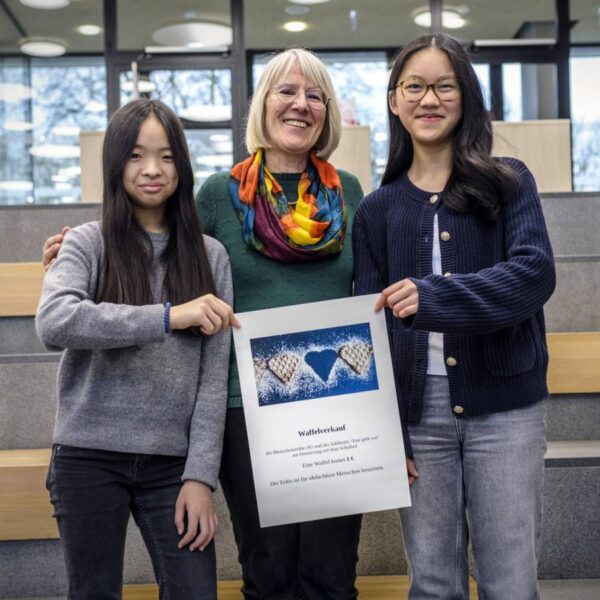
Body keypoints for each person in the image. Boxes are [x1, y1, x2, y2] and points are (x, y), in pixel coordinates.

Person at [42, 49, 364, 599]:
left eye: (315, 95)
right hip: (249, 407)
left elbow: (371, 287)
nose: (301, 104)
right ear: (263, 105)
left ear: (328, 112)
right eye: (286, 91)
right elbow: (155, 233)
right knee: (268, 570)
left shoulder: (349, 192)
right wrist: (78, 246)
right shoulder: (220, 194)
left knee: (333, 573)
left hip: (334, 396)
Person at [352, 34, 556, 600]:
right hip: (418, 419)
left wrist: (436, 296)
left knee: (510, 581)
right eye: (414, 86)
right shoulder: (377, 208)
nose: (429, 98)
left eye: (445, 85)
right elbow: (371, 332)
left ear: (465, 96)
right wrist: (387, 427)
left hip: (506, 410)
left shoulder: (508, 181)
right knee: (434, 583)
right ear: (395, 101)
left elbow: (535, 275)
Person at [36, 98, 238, 600]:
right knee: (94, 593)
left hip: (172, 466)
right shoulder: (86, 243)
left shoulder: (211, 256)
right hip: (88, 455)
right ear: (115, 163)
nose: (152, 170)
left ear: (182, 166)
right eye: (136, 156)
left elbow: (213, 379)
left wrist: (200, 478)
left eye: (167, 156)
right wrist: (170, 315)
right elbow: (55, 321)